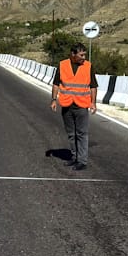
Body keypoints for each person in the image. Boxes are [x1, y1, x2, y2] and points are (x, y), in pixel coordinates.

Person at [50, 43, 98, 171]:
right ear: (73, 54)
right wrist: (54, 100)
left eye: (84, 55)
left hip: (81, 104)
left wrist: (93, 102)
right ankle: (74, 156)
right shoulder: (62, 65)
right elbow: (56, 84)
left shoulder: (88, 66)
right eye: (81, 55)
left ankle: (82, 160)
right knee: (71, 134)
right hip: (67, 104)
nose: (83, 57)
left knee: (82, 133)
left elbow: (93, 86)